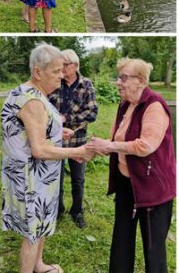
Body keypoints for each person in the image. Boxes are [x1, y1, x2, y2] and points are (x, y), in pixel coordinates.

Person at [1, 43, 94, 273]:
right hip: (32, 179)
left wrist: (55, 131)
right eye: (56, 71)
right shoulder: (32, 101)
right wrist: (78, 152)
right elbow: (39, 149)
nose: (62, 77)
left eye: (63, 70)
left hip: (41, 178)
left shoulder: (33, 93)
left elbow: (32, 130)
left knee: (41, 223)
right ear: (37, 72)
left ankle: (39, 265)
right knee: (32, 232)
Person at [87, 58, 176, 273]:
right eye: (119, 77)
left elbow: (145, 146)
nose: (118, 82)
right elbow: (116, 140)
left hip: (153, 188)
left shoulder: (154, 106)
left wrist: (109, 145)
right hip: (128, 183)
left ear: (141, 81)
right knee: (122, 239)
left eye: (123, 78)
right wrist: (93, 149)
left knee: (154, 251)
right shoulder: (125, 104)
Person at [49, 49, 98, 229]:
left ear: (75, 66)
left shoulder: (86, 85)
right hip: (56, 142)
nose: (61, 68)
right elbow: (45, 109)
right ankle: (58, 209)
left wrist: (67, 120)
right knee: (57, 178)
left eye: (64, 65)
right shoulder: (55, 82)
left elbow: (92, 113)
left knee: (78, 179)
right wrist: (56, 123)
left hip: (78, 142)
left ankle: (77, 211)